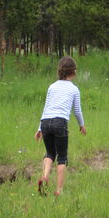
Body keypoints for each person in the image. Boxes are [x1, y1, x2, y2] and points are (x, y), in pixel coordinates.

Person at [35, 55, 86, 197]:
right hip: (60, 122)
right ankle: (59, 190)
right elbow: (77, 111)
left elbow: (46, 108)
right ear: (74, 72)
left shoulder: (52, 87)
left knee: (49, 153)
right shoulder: (74, 89)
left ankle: (45, 175)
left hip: (45, 122)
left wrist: (40, 129)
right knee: (62, 157)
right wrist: (82, 125)